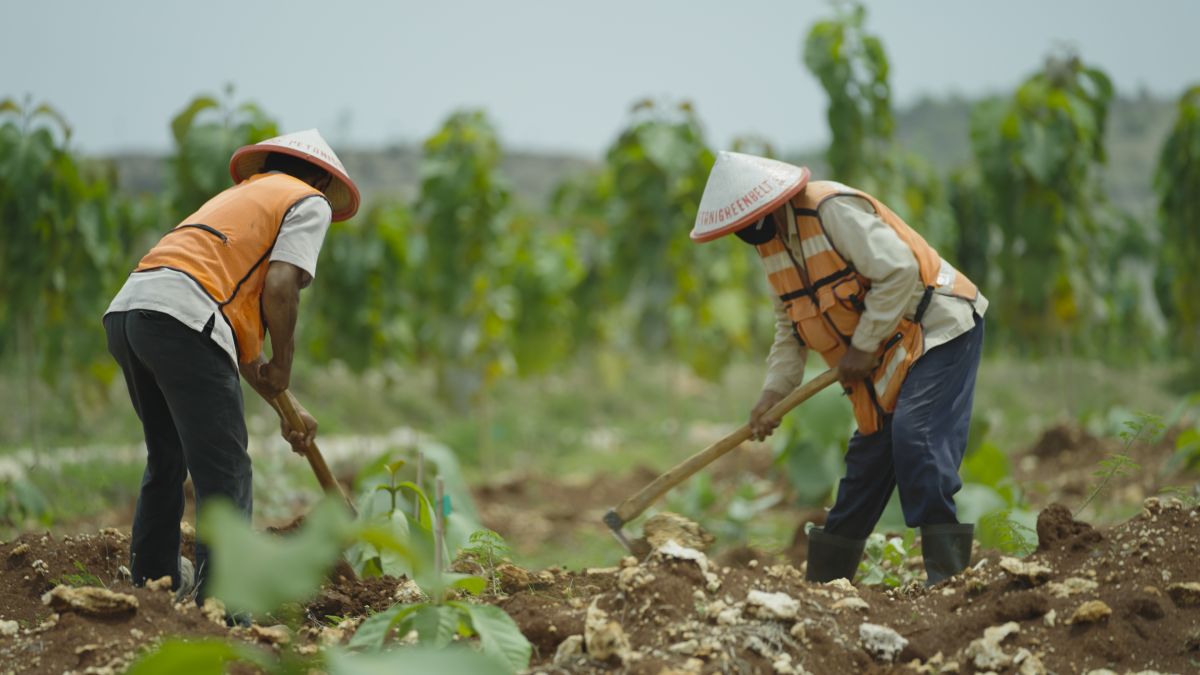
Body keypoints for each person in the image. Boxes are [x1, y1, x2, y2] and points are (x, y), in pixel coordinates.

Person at [690, 152, 987, 585]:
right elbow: (790, 329)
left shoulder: (830, 211)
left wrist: (862, 345)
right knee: (865, 469)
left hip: (937, 328)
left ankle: (948, 582)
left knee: (916, 437)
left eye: (751, 220)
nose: (748, 232)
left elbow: (900, 270)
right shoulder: (771, 248)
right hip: (884, 354)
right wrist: (774, 393)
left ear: (772, 205)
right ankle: (824, 589)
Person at [103, 129, 360, 601]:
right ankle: (224, 603)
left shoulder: (241, 198)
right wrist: (285, 363)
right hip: (185, 318)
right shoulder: (309, 201)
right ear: (323, 181)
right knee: (227, 471)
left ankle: (154, 584)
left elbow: (234, 345)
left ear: (270, 165)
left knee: (167, 457)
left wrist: (289, 407)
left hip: (130, 311)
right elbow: (280, 285)